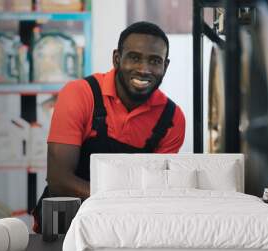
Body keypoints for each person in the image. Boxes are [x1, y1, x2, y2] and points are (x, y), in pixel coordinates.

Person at [32, 21, 186, 233]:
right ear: (116, 59)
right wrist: (124, 201)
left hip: (127, 229)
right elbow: (59, 181)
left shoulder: (172, 118)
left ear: (165, 66)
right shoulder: (81, 94)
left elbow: (156, 189)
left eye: (154, 61)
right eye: (134, 57)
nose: (144, 69)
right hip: (64, 225)